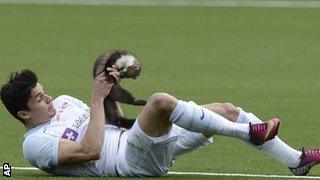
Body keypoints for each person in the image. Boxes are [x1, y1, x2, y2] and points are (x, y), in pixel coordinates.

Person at [0, 68, 319, 177]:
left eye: (44, 91)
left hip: (138, 141)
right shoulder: (34, 146)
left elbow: (108, 121)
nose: (48, 98)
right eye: (39, 99)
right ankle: (250, 133)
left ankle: (296, 161)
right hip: (128, 163)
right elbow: (92, 150)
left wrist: (110, 92)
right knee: (160, 102)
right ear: (24, 115)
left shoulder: (64, 102)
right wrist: (97, 99)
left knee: (227, 109)